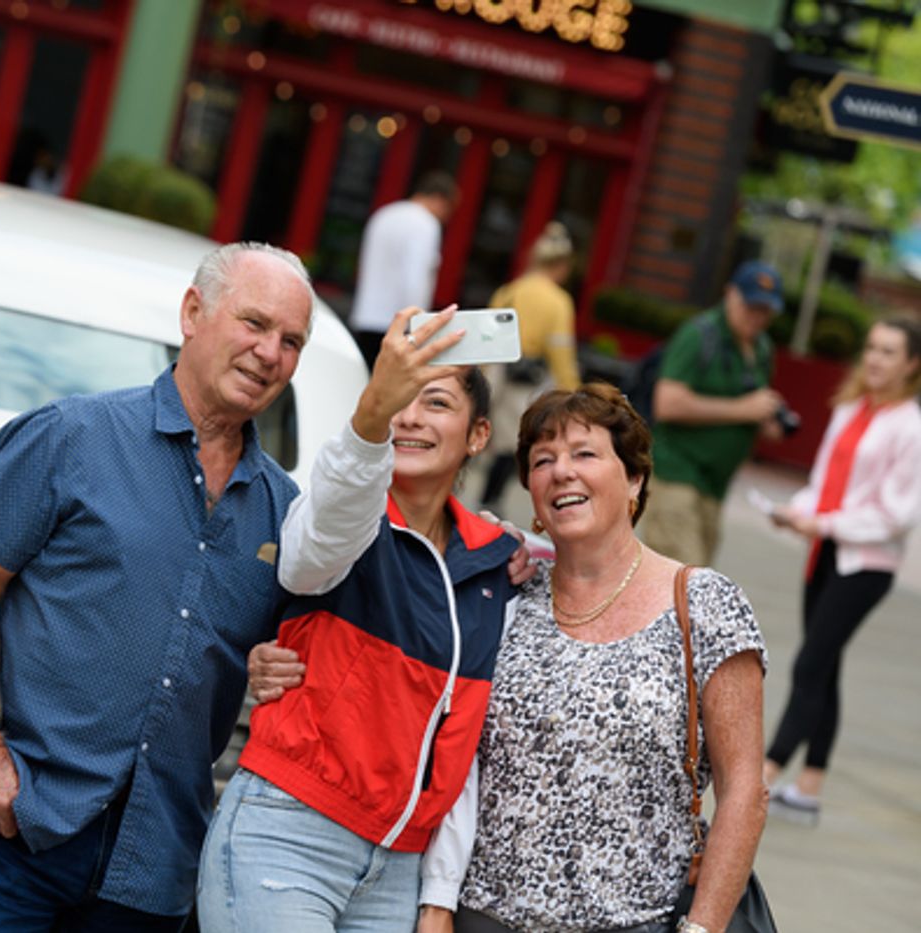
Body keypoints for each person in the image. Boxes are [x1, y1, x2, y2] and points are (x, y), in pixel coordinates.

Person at [252, 383, 769, 933]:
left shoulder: (701, 602)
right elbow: (407, 679)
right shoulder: (504, 592)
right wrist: (277, 659)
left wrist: (702, 929)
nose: (562, 472)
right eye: (543, 460)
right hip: (482, 917)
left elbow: (745, 791)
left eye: (585, 454)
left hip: (634, 920)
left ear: (635, 479)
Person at [0, 242, 317, 932]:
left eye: (290, 340)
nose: (269, 352)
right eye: (253, 323)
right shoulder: (72, 437)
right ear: (194, 312)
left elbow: (293, 648)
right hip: (12, 826)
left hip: (152, 867)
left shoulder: (284, 508)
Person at [196, 307, 519, 932]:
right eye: (399, 397)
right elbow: (308, 556)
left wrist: (438, 895)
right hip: (291, 830)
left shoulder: (497, 569)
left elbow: (467, 748)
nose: (410, 418)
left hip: (398, 865)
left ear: (479, 435)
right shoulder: (346, 516)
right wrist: (371, 416)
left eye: (436, 402)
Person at [763, 316, 921, 822]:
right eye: (871, 348)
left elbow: (897, 514)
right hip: (826, 552)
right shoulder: (851, 408)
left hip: (867, 563)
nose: (875, 359)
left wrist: (823, 523)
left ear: (912, 364)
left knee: (809, 664)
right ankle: (810, 787)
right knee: (825, 668)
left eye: (889, 352)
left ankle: (765, 776)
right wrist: (797, 512)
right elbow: (824, 482)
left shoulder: (910, 426)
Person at [636, 260, 789, 566]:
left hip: (715, 486)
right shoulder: (698, 335)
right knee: (687, 578)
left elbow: (749, 408)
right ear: (730, 294)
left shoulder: (761, 349)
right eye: (751, 307)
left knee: (701, 576)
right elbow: (668, 404)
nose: (757, 318)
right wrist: (743, 410)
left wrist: (764, 420)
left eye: (765, 311)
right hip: (676, 473)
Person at [478, 221, 581, 513]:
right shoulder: (559, 301)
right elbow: (561, 350)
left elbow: (486, 333)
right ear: (561, 265)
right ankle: (491, 499)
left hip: (496, 368)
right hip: (524, 376)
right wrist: (572, 389)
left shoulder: (509, 290)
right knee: (511, 440)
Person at [347, 172, 457, 370]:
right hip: (397, 326)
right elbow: (416, 278)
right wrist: (420, 325)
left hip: (365, 315)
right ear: (440, 200)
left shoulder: (384, 214)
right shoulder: (426, 224)